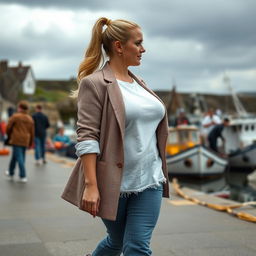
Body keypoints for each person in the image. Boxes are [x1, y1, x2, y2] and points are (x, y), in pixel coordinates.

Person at [61, 17, 169, 256]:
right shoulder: (95, 84)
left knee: (137, 247)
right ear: (119, 46)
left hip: (150, 179)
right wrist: (91, 186)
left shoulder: (140, 83)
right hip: (113, 184)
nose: (143, 49)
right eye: (138, 43)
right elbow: (87, 137)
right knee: (116, 242)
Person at [5, 101, 34, 183]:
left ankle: (23, 175)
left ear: (20, 108)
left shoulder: (15, 116)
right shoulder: (30, 119)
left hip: (16, 139)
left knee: (19, 157)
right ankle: (10, 172)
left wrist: (9, 135)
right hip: (25, 140)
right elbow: (32, 132)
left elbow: (8, 127)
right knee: (15, 157)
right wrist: (30, 143)